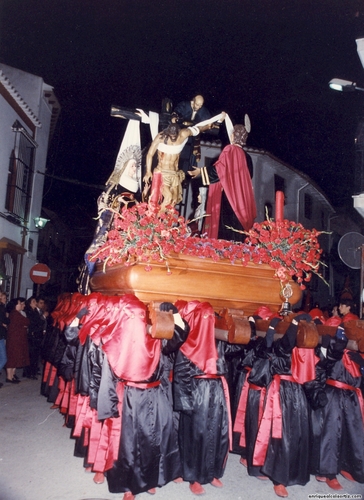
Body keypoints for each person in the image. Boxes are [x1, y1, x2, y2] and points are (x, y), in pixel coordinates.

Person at [189, 122, 257, 240]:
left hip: (229, 198)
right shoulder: (248, 157)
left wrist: (200, 171)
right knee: (239, 235)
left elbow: (219, 171)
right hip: (244, 201)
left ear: (232, 136)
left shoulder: (230, 150)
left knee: (226, 232)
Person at [143, 113, 225, 209]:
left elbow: (198, 129)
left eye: (175, 136)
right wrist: (148, 171)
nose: (173, 138)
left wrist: (208, 126)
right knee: (168, 197)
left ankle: (162, 221)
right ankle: (155, 220)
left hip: (174, 173)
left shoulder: (184, 133)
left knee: (173, 202)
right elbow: (150, 154)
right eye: (171, 136)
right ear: (168, 132)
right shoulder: (161, 137)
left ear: (178, 132)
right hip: (162, 173)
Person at [171, 95, 212, 174]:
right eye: (197, 105)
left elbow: (208, 121)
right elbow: (175, 113)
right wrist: (174, 118)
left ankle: (185, 177)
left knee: (189, 160)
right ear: (193, 101)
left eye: (201, 105)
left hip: (193, 139)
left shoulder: (203, 110)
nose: (199, 107)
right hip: (180, 136)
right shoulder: (184, 105)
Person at [5, 297, 29, 384]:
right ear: (15, 305)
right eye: (20, 303)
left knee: (14, 357)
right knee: (12, 357)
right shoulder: (15, 314)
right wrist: (24, 325)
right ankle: (9, 377)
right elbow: (26, 321)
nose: (21, 305)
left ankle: (12, 376)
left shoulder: (17, 313)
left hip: (17, 339)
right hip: (14, 339)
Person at [24, 296, 46, 379]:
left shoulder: (35, 311)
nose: (35, 303)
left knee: (35, 355)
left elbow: (39, 322)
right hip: (32, 335)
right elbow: (34, 323)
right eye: (33, 301)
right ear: (30, 303)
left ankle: (32, 372)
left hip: (37, 334)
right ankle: (29, 373)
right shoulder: (29, 312)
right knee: (31, 355)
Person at [0, 292, 9, 387]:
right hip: (0, 335)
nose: (5, 299)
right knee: (3, 358)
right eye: (4, 297)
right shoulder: (1, 308)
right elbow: (6, 320)